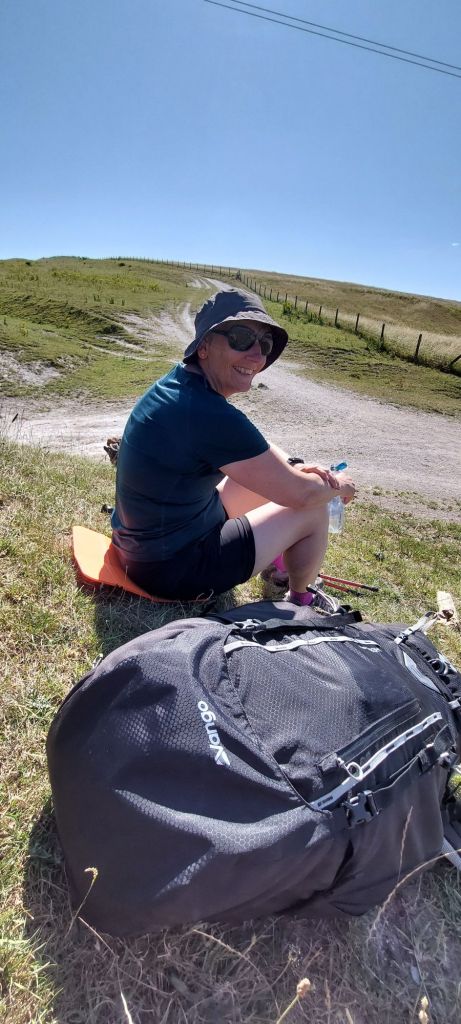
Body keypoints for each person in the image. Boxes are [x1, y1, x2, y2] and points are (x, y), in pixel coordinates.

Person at [111, 288, 356, 606]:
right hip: (171, 570)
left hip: (140, 548)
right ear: (204, 346)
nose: (257, 356)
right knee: (314, 508)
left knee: (276, 475)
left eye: (264, 345)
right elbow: (303, 495)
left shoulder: (181, 386)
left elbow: (256, 453)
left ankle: (281, 568)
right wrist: (339, 486)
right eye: (241, 338)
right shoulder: (209, 414)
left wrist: (296, 468)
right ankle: (300, 600)